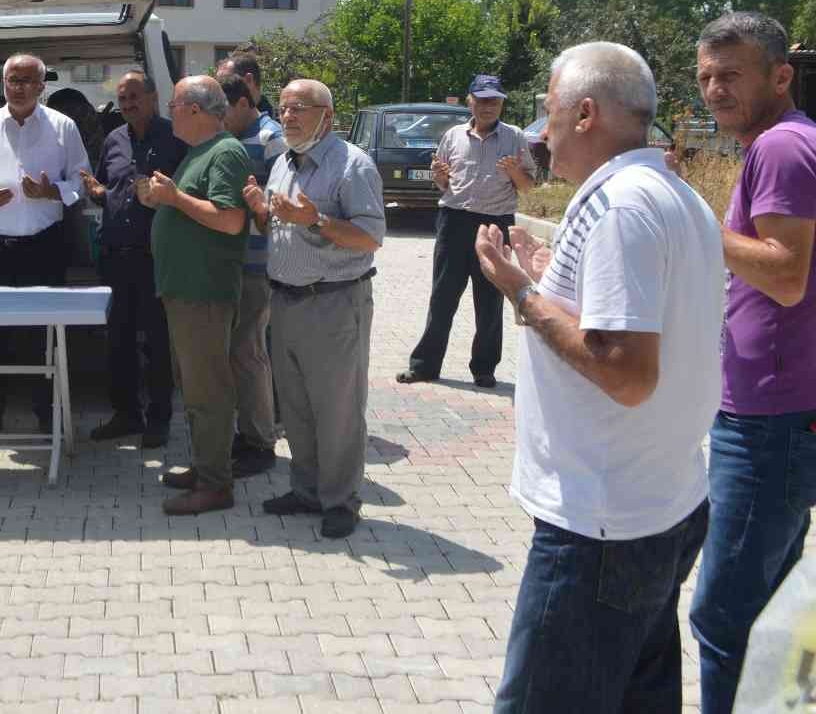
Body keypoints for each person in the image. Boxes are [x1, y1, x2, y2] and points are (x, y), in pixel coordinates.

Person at [474, 42, 721, 713]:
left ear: (585, 113)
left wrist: (521, 294)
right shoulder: (672, 196)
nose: (539, 129)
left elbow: (626, 371)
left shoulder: (620, 208)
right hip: (655, 506)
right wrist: (549, 274)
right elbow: (635, 320)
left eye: (547, 110)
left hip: (602, 527)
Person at [689, 13, 816, 714]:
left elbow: (787, 273)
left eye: (731, 74)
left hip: (767, 421)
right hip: (776, 413)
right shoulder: (788, 144)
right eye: (706, 76)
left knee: (724, 616)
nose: (714, 89)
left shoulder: (783, 149)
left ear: (780, 74)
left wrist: (704, 227)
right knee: (770, 609)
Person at [249, 79, 385, 539]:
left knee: (338, 410)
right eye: (284, 108)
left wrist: (316, 220)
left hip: (333, 301)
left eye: (299, 109)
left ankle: (341, 501)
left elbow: (369, 238)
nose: (287, 117)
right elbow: (280, 225)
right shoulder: (282, 164)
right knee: (298, 407)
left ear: (326, 115)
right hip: (285, 300)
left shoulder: (353, 166)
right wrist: (261, 211)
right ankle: (306, 491)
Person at [0, 52, 90, 435]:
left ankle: (47, 414)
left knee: (45, 333)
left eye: (28, 80)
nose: (20, 87)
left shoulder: (64, 127)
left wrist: (52, 191)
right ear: (3, 83)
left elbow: (82, 182)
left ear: (43, 87)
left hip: (45, 245)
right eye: (13, 80)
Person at [146, 76, 251, 515]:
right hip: (186, 290)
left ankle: (215, 485)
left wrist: (174, 198)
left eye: (174, 103)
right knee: (194, 389)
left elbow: (230, 221)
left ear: (195, 109)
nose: (169, 110)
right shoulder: (199, 152)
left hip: (204, 291)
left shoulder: (225, 152)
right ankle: (206, 466)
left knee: (208, 391)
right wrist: (165, 200)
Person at [399, 74, 535, 389]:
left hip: (494, 225)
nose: (488, 107)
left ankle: (484, 368)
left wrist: (515, 172)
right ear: (470, 101)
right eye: (482, 100)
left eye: (495, 101)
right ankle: (424, 365)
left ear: (502, 103)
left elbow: (527, 187)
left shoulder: (515, 137)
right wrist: (439, 177)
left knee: (489, 300)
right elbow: (443, 182)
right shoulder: (452, 136)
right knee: (442, 296)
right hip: (454, 221)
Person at [78, 70, 185, 449]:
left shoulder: (175, 139)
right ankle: (126, 414)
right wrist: (97, 191)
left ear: (153, 97)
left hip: (156, 257)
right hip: (115, 255)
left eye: (134, 97)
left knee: (156, 342)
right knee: (117, 341)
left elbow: (187, 195)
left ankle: (159, 419)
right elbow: (109, 190)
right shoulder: (114, 139)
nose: (127, 105)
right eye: (122, 99)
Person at [219, 72, 285, 477]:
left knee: (250, 353)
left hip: (259, 267)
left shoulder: (270, 139)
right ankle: (248, 433)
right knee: (239, 354)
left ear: (244, 102)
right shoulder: (235, 138)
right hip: (234, 265)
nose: (218, 117)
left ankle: (261, 441)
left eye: (222, 109)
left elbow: (280, 204)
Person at [215, 52, 275, 119]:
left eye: (226, 82)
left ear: (249, 79)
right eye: (218, 83)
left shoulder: (275, 124)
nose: (220, 89)